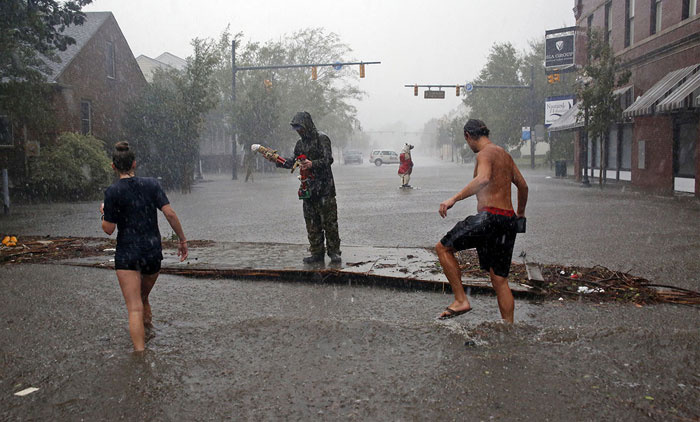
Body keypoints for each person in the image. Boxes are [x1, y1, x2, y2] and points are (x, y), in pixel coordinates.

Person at [435, 119, 528, 323]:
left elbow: (483, 179)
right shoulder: (504, 154)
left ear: (468, 136)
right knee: (500, 280)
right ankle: (508, 328)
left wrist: (454, 198)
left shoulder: (484, 154)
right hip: (507, 221)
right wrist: (520, 214)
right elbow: (523, 186)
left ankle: (461, 300)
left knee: (443, 248)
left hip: (489, 218)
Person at [101, 141, 188, 352]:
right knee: (143, 296)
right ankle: (149, 331)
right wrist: (182, 240)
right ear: (134, 163)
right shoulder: (152, 185)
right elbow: (169, 213)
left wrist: (104, 211)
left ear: (113, 167)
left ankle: (140, 356)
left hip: (127, 254)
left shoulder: (112, 192)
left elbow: (108, 229)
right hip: (151, 252)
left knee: (134, 308)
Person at [276, 111, 341, 264]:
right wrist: (279, 161)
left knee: (330, 222)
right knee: (312, 223)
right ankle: (317, 252)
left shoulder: (322, 138)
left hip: (325, 189)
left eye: (300, 127)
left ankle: (334, 252)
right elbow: (294, 161)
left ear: (307, 125)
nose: (298, 131)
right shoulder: (300, 144)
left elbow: (328, 159)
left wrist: (313, 164)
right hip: (308, 189)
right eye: (296, 128)